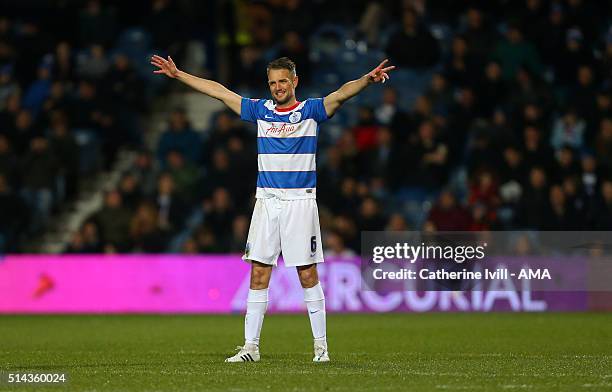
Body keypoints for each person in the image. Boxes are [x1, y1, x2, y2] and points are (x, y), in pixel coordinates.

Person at [151, 54, 394, 363]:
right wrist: (179, 75)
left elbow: (341, 93)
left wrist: (366, 80)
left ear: (295, 82)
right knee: (258, 273)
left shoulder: (310, 111)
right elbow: (219, 91)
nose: (277, 88)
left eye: (283, 81)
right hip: (266, 203)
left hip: (299, 202)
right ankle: (250, 348)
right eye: (272, 83)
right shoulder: (261, 111)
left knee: (307, 274)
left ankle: (321, 348)